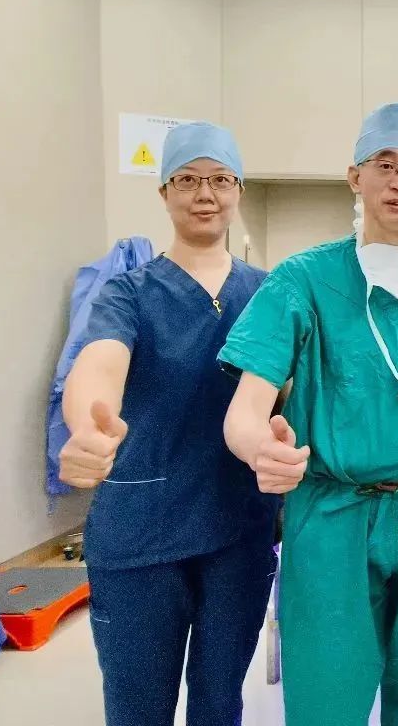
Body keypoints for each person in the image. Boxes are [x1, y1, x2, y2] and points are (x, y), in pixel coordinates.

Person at [218, 102, 398, 726]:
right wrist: (258, 448)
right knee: (328, 693)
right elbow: (247, 406)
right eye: (385, 165)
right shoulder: (304, 281)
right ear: (355, 176)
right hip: (334, 517)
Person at [59, 121, 276, 726]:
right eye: (186, 179)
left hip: (238, 529)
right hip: (141, 534)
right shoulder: (127, 294)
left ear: (237, 189)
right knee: (138, 707)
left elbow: (296, 386)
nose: (204, 194)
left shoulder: (269, 293)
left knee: (219, 702)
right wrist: (88, 427)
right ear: (163, 192)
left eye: (220, 179)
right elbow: (99, 363)